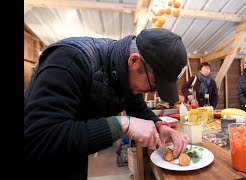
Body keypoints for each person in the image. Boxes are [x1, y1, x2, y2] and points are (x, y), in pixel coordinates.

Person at [24, 28, 189, 180]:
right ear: (134, 61)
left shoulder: (125, 73)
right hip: (37, 162)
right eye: (153, 85)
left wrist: (160, 125)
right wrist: (122, 124)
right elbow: (40, 137)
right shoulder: (69, 60)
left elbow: (136, 106)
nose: (150, 92)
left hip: (74, 153)